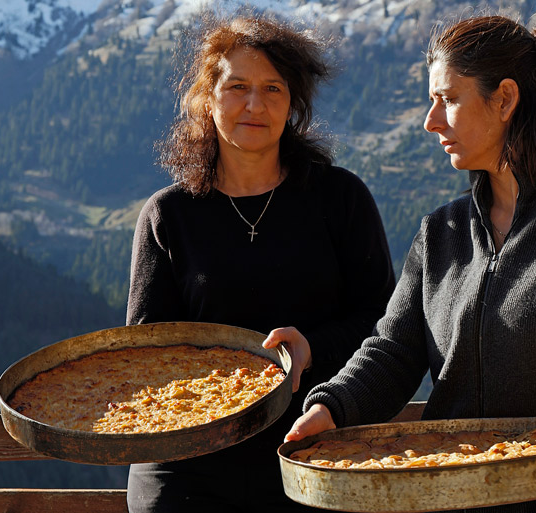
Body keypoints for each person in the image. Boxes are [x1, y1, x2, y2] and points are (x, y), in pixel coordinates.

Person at [287, 14, 536, 513]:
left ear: (504, 99)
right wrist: (328, 408)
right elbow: (392, 352)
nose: (430, 121)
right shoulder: (440, 233)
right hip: (449, 501)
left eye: (448, 99)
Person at [125, 12, 395, 513]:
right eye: (238, 87)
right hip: (188, 465)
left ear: (293, 104)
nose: (255, 104)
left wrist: (311, 348)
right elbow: (148, 351)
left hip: (310, 453)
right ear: (208, 97)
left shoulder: (339, 198)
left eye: (273, 89)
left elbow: (386, 324)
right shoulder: (170, 214)